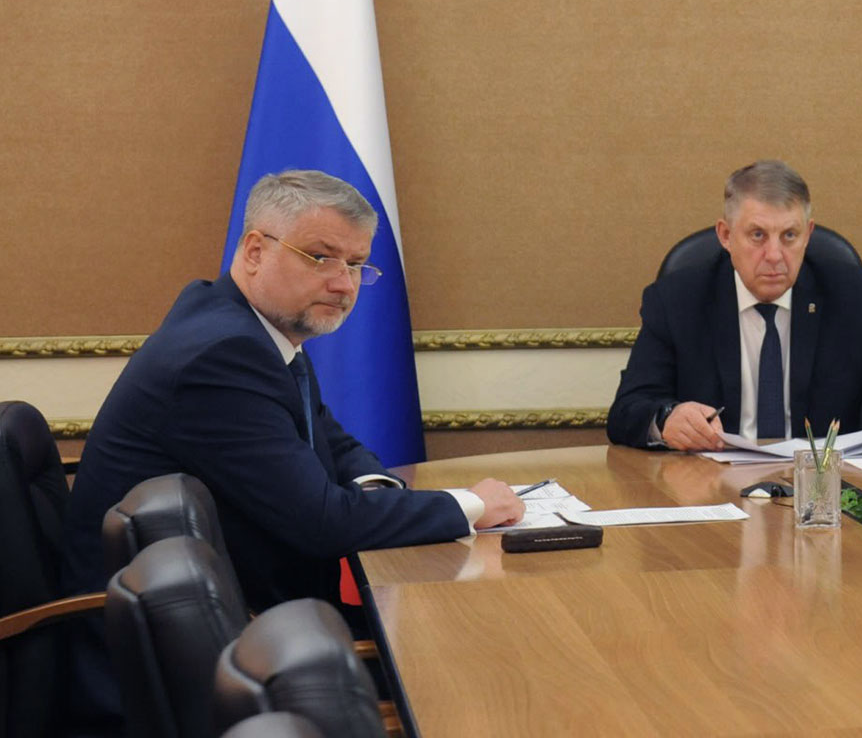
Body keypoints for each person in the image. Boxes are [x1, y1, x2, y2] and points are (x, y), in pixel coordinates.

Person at [60, 170, 523, 722]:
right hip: (188, 666)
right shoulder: (223, 356)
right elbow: (321, 523)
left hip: (247, 621)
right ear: (255, 250)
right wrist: (470, 505)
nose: (344, 285)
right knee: (485, 669)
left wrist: (374, 487)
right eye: (321, 257)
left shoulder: (247, 328)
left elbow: (332, 439)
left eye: (356, 264)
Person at [608, 160, 862, 450]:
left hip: (825, 488)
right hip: (710, 485)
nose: (774, 255)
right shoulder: (678, 299)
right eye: (757, 235)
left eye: (789, 236)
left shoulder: (855, 296)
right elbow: (628, 410)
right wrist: (666, 420)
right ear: (725, 235)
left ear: (808, 234)